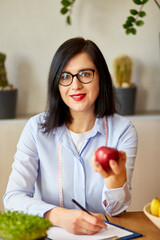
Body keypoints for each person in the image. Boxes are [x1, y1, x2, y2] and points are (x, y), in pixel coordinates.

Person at [3, 37, 138, 235]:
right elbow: (13, 198)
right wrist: (58, 216)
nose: (75, 85)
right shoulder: (35, 128)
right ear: (56, 83)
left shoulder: (123, 130)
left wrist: (116, 180)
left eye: (85, 74)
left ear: (101, 77)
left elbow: (116, 210)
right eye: (65, 76)